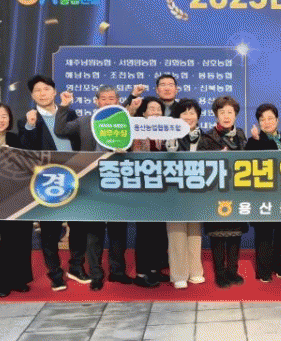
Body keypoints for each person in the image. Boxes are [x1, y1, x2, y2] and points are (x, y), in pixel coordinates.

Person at [54, 85, 132, 290]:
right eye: (103, 98)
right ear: (96, 101)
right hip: (90, 183)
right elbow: (60, 130)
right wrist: (64, 107)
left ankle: (118, 272)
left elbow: (135, 149)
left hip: (117, 182)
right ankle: (96, 274)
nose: (107, 102)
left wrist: (126, 149)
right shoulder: (84, 121)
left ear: (118, 101)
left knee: (118, 231)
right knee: (94, 232)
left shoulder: (125, 121)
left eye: (111, 98)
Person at [17, 75, 88, 291]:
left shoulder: (70, 114)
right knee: (49, 231)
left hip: (73, 178)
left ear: (54, 92)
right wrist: (30, 126)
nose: (42, 93)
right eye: (37, 90)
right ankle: (55, 273)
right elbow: (26, 151)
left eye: (46, 89)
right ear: (32, 95)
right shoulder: (27, 120)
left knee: (79, 226)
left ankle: (76, 267)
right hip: (47, 182)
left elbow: (80, 143)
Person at [0, 103, 34, 298]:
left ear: (9, 119)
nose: (0, 120)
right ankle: (0, 284)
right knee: (8, 242)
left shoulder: (15, 139)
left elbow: (30, 161)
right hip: (2, 201)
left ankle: (19, 280)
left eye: (4, 116)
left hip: (23, 197)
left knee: (23, 240)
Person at [246, 100, 281, 282]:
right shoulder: (253, 141)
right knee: (264, 233)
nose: (266, 122)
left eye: (270, 118)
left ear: (277, 120)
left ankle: (279, 266)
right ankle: (264, 270)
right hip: (262, 195)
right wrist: (257, 141)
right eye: (262, 119)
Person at [202, 96, 249, 288]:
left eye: (230, 112)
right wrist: (216, 160)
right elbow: (202, 167)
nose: (226, 116)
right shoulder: (208, 138)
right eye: (222, 112)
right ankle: (220, 273)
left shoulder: (241, 135)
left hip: (237, 191)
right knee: (218, 235)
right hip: (216, 193)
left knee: (235, 234)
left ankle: (232, 271)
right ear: (216, 115)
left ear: (235, 115)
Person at [165, 99, 210, 289]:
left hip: (198, 191)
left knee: (194, 232)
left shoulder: (206, 137)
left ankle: (195, 271)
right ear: (177, 117)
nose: (189, 117)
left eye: (192, 113)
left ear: (198, 116)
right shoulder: (170, 136)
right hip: (174, 191)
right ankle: (179, 274)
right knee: (176, 232)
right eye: (184, 113)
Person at [131, 97, 170, 288]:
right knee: (145, 232)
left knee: (159, 232)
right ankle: (141, 273)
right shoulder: (136, 131)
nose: (155, 112)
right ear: (144, 113)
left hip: (163, 190)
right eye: (151, 109)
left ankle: (155, 269)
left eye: (158, 109)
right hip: (142, 189)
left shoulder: (167, 133)